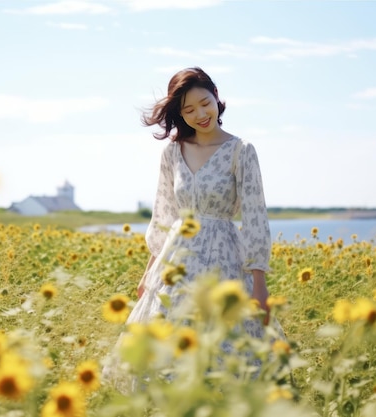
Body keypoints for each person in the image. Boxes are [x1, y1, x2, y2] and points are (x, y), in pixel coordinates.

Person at [103, 67, 283, 389]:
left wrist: (260, 284)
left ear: (216, 95)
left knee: (228, 349)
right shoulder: (172, 152)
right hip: (177, 262)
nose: (200, 114)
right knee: (167, 348)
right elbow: (164, 216)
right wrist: (149, 273)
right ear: (179, 114)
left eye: (204, 103)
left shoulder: (241, 151)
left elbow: (255, 218)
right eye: (188, 110)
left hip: (226, 261)